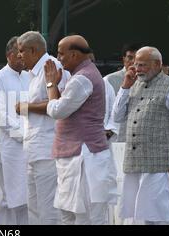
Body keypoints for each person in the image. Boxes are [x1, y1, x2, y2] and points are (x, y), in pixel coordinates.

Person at [113, 46, 169, 225]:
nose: (137, 69)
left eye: (142, 65)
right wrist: (125, 87)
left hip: (159, 165)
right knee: (137, 215)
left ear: (157, 64)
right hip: (134, 164)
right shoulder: (132, 84)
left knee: (158, 215)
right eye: (135, 65)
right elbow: (116, 117)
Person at [45, 35, 117, 225]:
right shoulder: (84, 75)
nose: (58, 58)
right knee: (69, 214)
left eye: (61, 54)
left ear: (74, 55)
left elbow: (57, 110)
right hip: (77, 156)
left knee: (86, 217)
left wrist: (51, 83)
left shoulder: (82, 79)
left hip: (83, 157)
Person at [15, 31, 70, 225]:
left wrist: (26, 107)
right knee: (35, 210)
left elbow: (60, 105)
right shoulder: (34, 74)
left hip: (48, 151)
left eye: (21, 51)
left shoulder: (52, 66)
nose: (19, 55)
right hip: (34, 150)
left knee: (49, 211)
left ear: (33, 50)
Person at [0, 37, 30, 225]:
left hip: (31, 145)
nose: (23, 56)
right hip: (10, 147)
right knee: (9, 199)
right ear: (10, 55)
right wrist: (22, 134)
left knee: (28, 198)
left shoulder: (30, 77)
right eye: (20, 52)